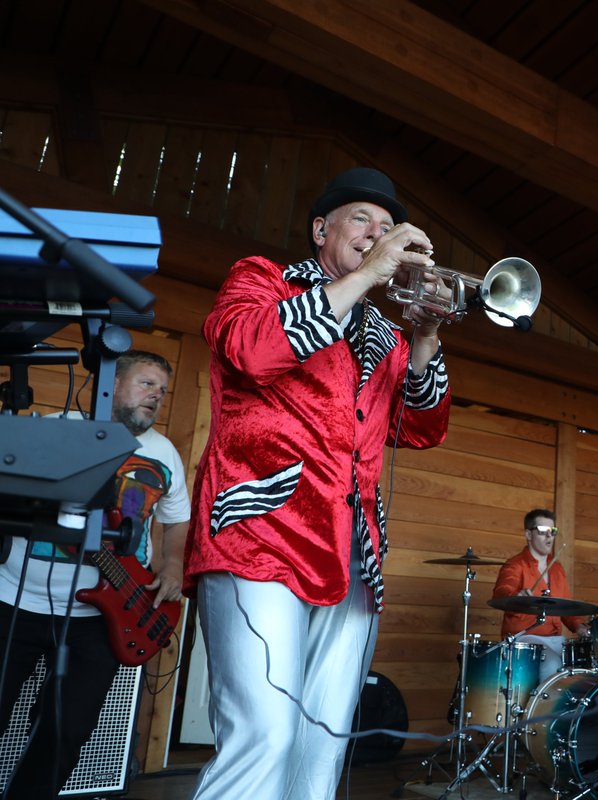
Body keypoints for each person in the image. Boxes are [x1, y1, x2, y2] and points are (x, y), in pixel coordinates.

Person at [183, 167, 452, 799]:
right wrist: (362, 280)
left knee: (324, 745)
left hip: (353, 552)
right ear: (320, 230)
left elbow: (419, 427)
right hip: (261, 530)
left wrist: (427, 335)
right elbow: (251, 349)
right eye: (363, 220)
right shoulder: (263, 280)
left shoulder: (385, 336)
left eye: (389, 229)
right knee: (264, 735)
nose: (378, 235)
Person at [0, 350, 190, 799]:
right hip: (15, 600)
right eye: (146, 384)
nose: (156, 397)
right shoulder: (55, 430)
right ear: (112, 381)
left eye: (162, 391)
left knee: (67, 731)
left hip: (102, 618)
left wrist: (173, 564)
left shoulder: (164, 453)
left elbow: (176, 518)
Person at [492, 508, 588, 682]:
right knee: (551, 664)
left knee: (585, 662)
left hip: (554, 639)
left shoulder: (557, 569)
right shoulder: (515, 565)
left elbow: (567, 607)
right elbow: (501, 592)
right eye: (543, 531)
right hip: (523, 640)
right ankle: (545, 709)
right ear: (528, 534)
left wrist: (579, 626)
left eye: (553, 531)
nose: (549, 537)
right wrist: (515, 597)